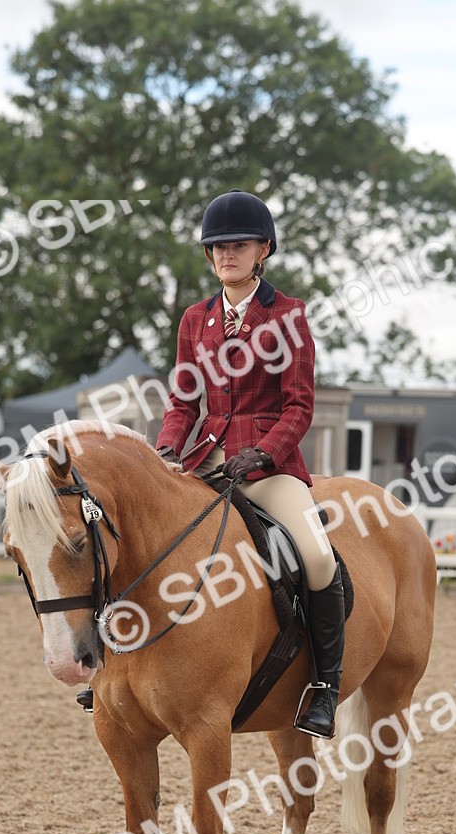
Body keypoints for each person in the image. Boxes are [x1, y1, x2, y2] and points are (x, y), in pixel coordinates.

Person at [155, 189, 345, 739]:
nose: (225, 255)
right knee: (141, 534)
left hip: (269, 466)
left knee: (316, 556)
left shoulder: (287, 315)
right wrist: (168, 449)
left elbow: (299, 406)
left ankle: (325, 689)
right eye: (216, 247)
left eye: (237, 246)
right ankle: (111, 666)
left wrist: (264, 452)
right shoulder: (196, 319)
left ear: (263, 249)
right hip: (206, 458)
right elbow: (184, 401)